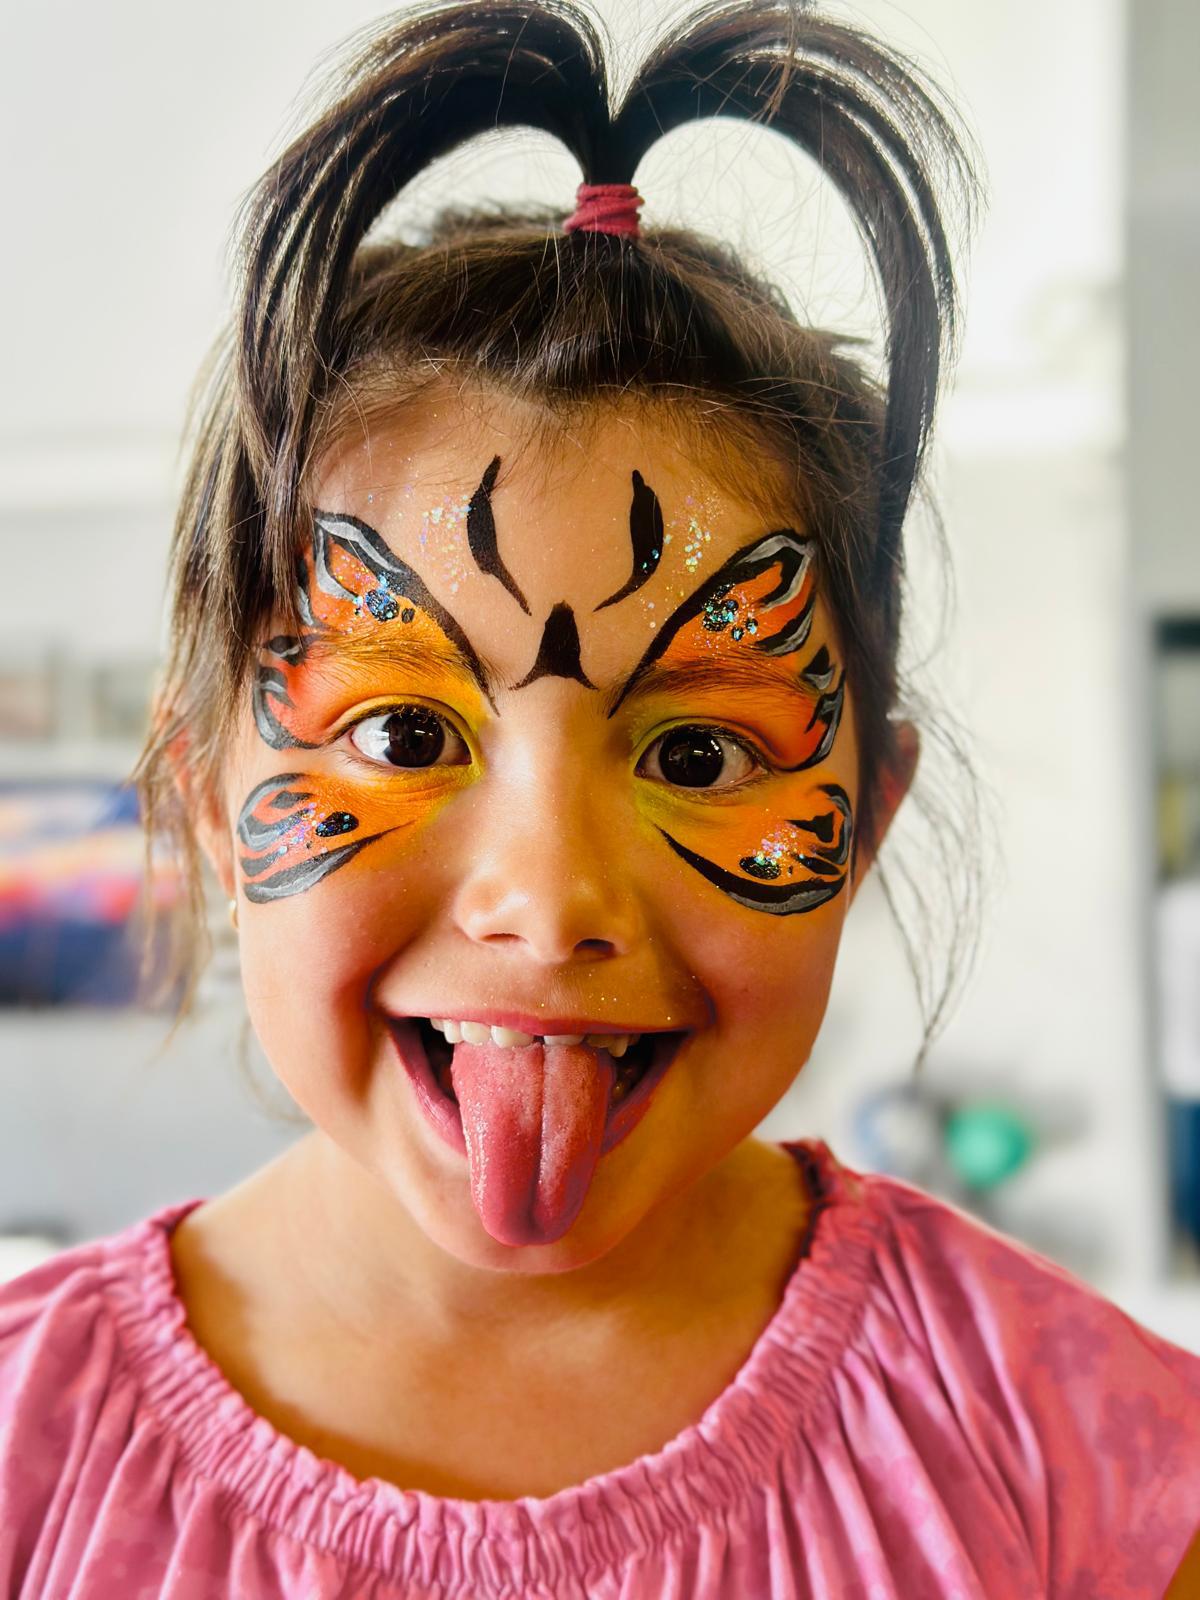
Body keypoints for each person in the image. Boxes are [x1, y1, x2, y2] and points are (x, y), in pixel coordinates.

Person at [2, 2, 1198, 1594]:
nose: (550, 899)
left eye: (701, 755)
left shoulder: (1088, 1455)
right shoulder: (25, 1453)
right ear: (210, 803)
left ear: (867, 820)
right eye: (402, 732)